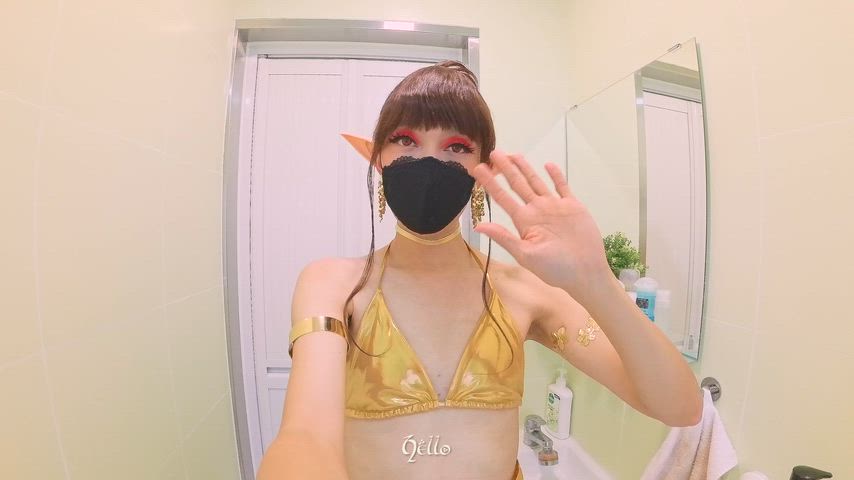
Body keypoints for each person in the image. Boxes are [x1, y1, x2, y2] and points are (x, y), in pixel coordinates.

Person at [256, 60, 702, 480]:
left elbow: (680, 407)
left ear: (481, 171)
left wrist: (597, 281)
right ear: (377, 158)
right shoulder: (334, 284)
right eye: (406, 140)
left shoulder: (526, 292)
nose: (429, 162)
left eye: (456, 147)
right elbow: (305, 435)